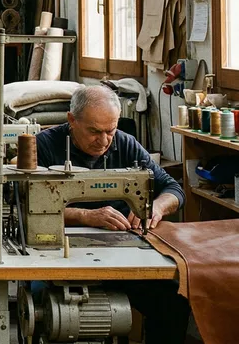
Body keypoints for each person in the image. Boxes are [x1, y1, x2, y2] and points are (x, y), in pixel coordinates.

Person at [35, 84, 189, 344]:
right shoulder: (45, 146)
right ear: (72, 120)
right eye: (94, 131)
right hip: (61, 256)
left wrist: (155, 208)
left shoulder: (125, 145)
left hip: (122, 256)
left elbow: (172, 188)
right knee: (57, 315)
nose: (104, 140)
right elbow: (25, 205)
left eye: (110, 130)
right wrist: (84, 216)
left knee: (173, 300)